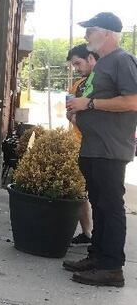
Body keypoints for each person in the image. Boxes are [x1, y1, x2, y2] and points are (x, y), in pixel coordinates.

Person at [64, 12, 137, 287]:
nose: (86, 35)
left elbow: (132, 101)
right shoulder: (103, 63)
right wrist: (78, 111)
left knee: (111, 206)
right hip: (93, 148)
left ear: (107, 33)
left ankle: (112, 267)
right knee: (99, 205)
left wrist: (90, 104)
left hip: (110, 149)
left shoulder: (122, 60)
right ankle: (97, 256)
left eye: (90, 30)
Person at [65, 43, 98, 245]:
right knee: (81, 192)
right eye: (74, 65)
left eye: (78, 63)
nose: (76, 68)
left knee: (96, 195)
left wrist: (77, 119)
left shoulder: (102, 83)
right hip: (78, 143)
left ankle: (96, 239)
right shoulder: (78, 85)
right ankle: (87, 233)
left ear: (91, 58)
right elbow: (69, 111)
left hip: (96, 147)